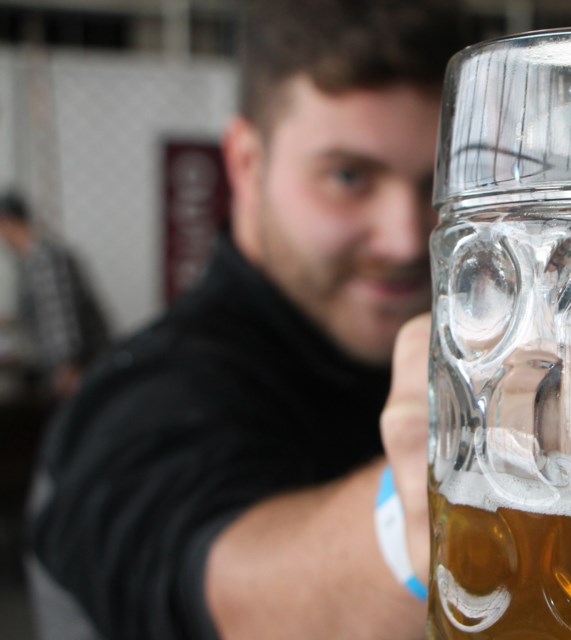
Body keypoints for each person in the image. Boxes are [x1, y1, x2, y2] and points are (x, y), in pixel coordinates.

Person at [25, 0, 469, 638]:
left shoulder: (434, 352)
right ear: (245, 164)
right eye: (348, 176)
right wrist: (420, 526)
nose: (405, 238)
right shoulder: (150, 395)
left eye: (436, 184)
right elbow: (229, 595)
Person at [0, 190, 111, 400]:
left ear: (6, 222)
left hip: (80, 368)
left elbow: (58, 313)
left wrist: (67, 367)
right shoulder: (32, 260)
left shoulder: (44, 259)